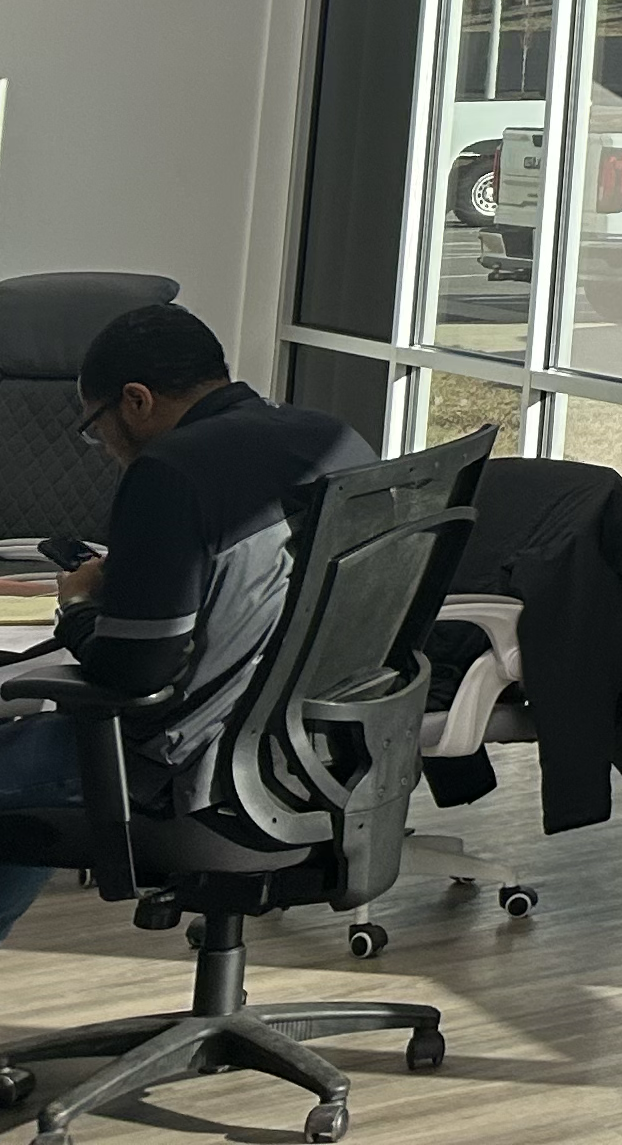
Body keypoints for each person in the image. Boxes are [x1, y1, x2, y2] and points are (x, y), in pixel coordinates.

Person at [0, 306, 369, 939]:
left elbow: (131, 671)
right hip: (317, 758)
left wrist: (78, 606)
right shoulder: (336, 439)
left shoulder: (170, 471)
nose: (103, 447)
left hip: (194, 774)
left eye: (97, 428)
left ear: (135, 401)